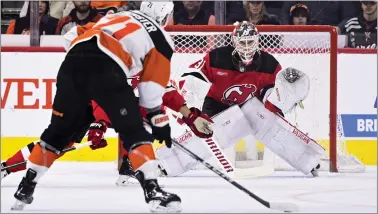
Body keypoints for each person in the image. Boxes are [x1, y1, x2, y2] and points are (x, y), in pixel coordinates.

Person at [10, 2, 183, 213]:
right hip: (107, 68)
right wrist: (157, 116)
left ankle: (25, 188)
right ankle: (153, 191)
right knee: (134, 131)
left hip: (71, 64)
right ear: (165, 16)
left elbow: (71, 35)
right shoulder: (162, 39)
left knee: (56, 135)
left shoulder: (118, 16)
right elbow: (151, 89)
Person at [157, 21, 322, 177]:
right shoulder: (217, 57)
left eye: (250, 42)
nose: (247, 47)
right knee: (208, 133)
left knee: (269, 122)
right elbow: (193, 76)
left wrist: (283, 100)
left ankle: (308, 160)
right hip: (216, 104)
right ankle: (169, 164)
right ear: (234, 42)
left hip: (247, 107)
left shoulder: (269, 64)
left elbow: (270, 98)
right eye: (242, 43)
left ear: (257, 41)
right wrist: (189, 106)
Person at [2, 76, 213, 186]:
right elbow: (98, 95)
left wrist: (190, 115)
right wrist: (99, 123)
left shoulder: (150, 63)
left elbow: (167, 94)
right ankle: (6, 167)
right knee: (58, 144)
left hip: (118, 108)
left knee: (148, 124)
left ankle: (127, 167)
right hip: (83, 102)